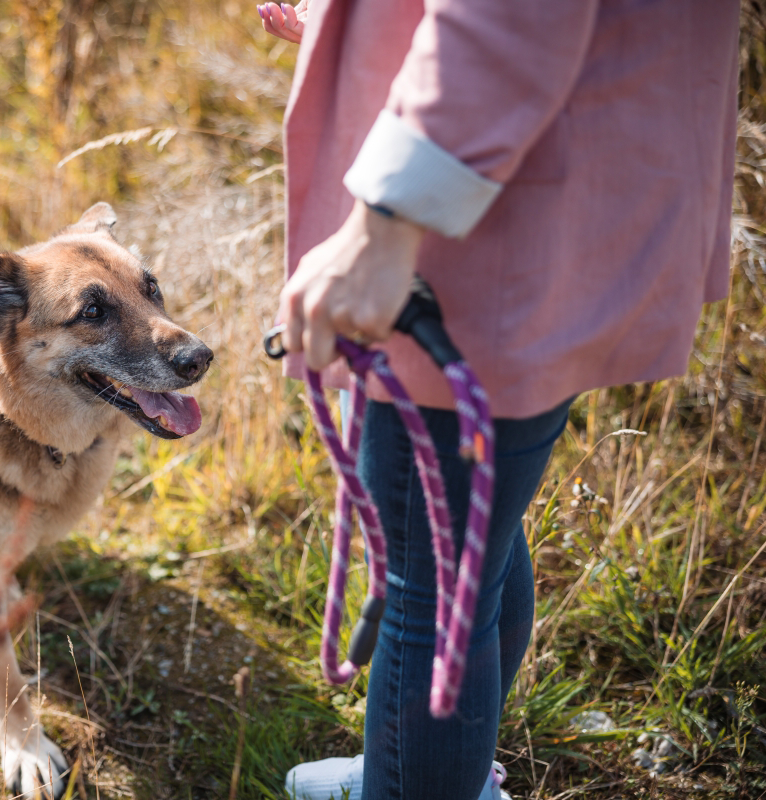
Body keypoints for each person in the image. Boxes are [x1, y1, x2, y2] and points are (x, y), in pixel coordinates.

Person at [256, 2, 740, 799]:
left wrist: (384, 223)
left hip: (485, 216)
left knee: (431, 577)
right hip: (559, 180)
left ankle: (419, 780)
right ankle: (439, 773)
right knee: (470, 548)